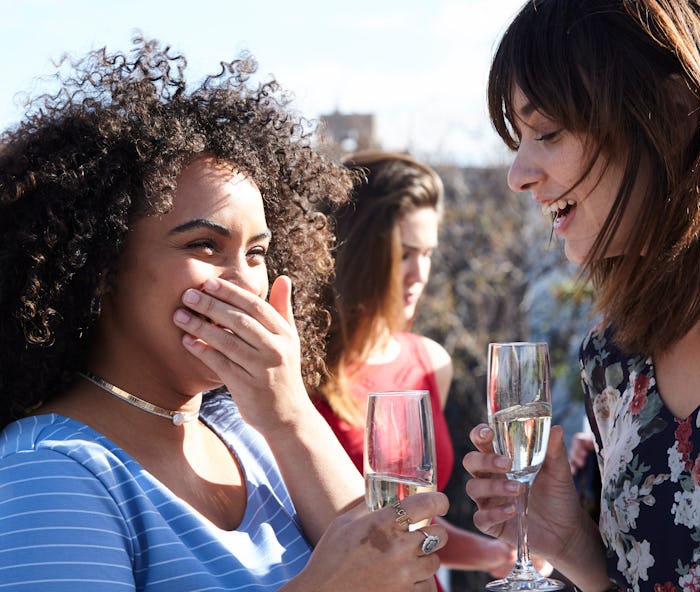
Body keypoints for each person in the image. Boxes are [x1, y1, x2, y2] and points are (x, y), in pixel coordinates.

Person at [0, 38, 448, 591]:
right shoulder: (49, 470)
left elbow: (409, 583)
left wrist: (291, 416)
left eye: (257, 253)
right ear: (103, 266)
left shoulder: (250, 432)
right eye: (203, 246)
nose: (243, 281)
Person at [462, 1, 700, 591]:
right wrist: (577, 550)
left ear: (675, 111)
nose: (518, 173)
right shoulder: (613, 358)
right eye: (518, 138)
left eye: (548, 132)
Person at [312, 150, 518, 585]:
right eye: (403, 253)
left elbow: (412, 526)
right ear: (357, 252)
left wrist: (496, 553)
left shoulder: (429, 363)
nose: (418, 273)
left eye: (426, 253)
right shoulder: (300, 374)